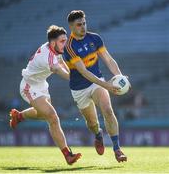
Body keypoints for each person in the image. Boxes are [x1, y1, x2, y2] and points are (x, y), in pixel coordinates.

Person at [9, 25, 81, 165]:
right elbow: (59, 70)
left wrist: (74, 73)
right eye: (62, 41)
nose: (65, 44)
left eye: (65, 40)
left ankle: (19, 116)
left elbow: (61, 62)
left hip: (41, 85)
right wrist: (78, 77)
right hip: (29, 87)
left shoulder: (54, 48)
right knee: (53, 117)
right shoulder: (47, 56)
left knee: (44, 115)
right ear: (53, 42)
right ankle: (68, 155)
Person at [63, 10, 129, 162]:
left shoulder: (95, 38)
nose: (83, 27)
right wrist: (107, 85)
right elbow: (84, 72)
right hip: (79, 89)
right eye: (79, 25)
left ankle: (117, 149)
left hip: (96, 82)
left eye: (84, 23)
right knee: (92, 123)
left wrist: (119, 77)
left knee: (107, 110)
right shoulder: (69, 47)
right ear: (71, 27)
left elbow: (108, 59)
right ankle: (98, 134)